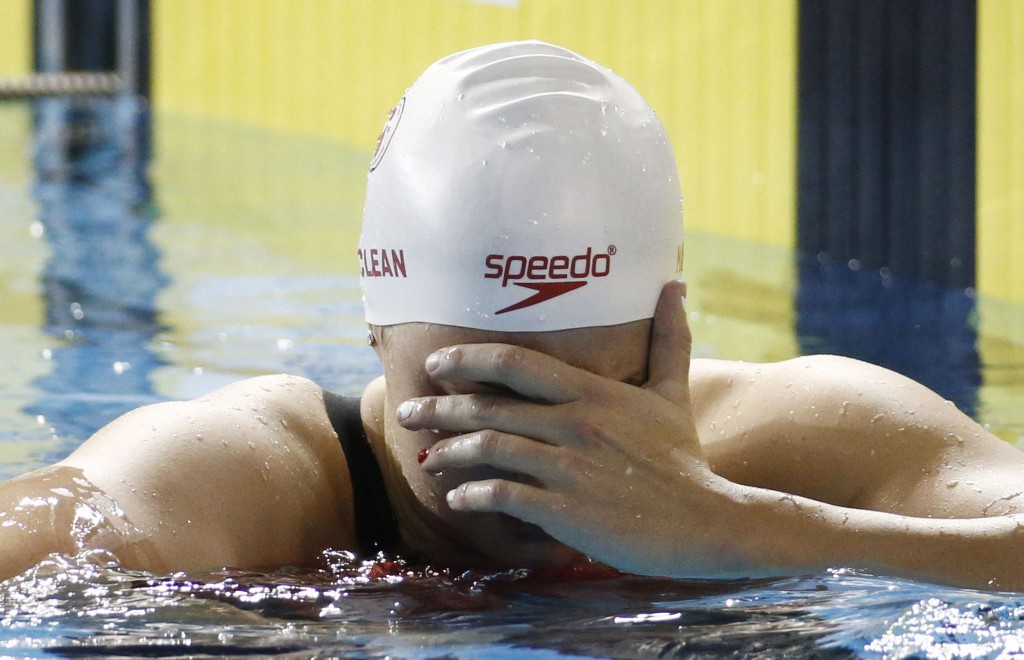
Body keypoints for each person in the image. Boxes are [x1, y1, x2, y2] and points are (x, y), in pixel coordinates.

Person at [2, 40, 1024, 591]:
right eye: (474, 394)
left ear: (673, 326)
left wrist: (749, 528)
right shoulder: (240, 484)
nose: (534, 462)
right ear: (377, 329)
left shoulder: (796, 447)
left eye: (601, 392)